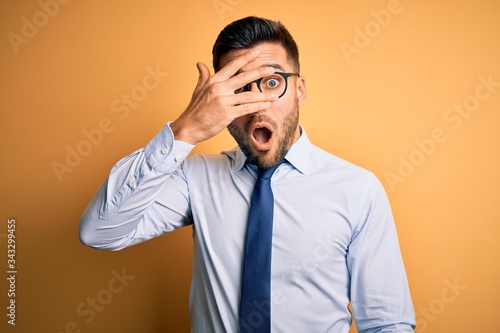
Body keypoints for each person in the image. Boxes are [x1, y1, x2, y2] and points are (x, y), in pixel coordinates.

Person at [79, 16, 416, 333]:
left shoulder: (357, 189)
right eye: (239, 88)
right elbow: (99, 231)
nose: (257, 104)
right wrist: (186, 129)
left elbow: (387, 322)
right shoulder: (195, 178)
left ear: (299, 89)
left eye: (272, 82)